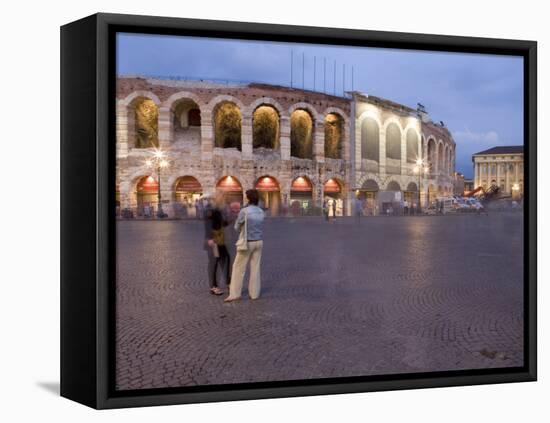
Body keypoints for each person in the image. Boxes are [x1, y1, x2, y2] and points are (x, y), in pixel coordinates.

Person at [224, 189, 265, 302]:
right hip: (259, 242)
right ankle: (254, 294)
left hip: (247, 242)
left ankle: (235, 294)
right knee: (255, 268)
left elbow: (236, 227)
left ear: (248, 198)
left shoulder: (244, 211)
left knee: (238, 268)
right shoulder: (261, 211)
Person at [204, 192, 231, 295]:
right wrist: (210, 238)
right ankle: (214, 286)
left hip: (220, 239)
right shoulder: (210, 209)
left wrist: (230, 219)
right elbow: (208, 224)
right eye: (222, 198)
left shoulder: (219, 209)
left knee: (226, 259)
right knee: (214, 262)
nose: (223, 200)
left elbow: (222, 223)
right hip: (214, 240)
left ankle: (228, 282)